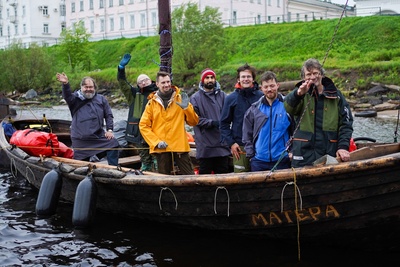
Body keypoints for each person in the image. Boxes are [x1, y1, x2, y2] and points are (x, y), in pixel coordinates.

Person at [284, 58, 353, 167]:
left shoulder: (336, 96)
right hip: (303, 155)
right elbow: (288, 108)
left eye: (315, 73)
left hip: (328, 153)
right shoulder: (300, 94)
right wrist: (298, 94)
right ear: (303, 77)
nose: (312, 77)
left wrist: (342, 147)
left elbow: (346, 124)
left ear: (321, 74)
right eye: (308, 74)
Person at [139, 71, 199, 175]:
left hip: (180, 146)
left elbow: (193, 121)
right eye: (163, 83)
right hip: (161, 148)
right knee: (163, 178)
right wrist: (156, 142)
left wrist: (187, 108)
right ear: (157, 84)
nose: (166, 85)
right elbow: (143, 126)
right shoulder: (151, 103)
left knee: (190, 176)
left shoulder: (180, 99)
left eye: (168, 82)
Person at [56, 73, 119, 166]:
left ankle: (113, 169)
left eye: (91, 87)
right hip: (81, 139)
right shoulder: (74, 99)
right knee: (81, 166)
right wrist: (65, 84)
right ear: (81, 87)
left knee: (113, 143)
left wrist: (109, 130)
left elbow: (109, 115)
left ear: (94, 88)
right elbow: (67, 96)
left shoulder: (101, 99)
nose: (88, 89)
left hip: (98, 136)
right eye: (86, 87)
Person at [242, 71, 292, 172]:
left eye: (272, 86)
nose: (269, 89)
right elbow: (247, 134)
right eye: (266, 87)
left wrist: (292, 151)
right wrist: (251, 155)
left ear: (278, 85)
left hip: (282, 159)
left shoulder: (288, 106)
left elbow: (296, 129)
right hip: (259, 161)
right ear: (261, 88)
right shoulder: (254, 109)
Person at [117, 53, 158, 171]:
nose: (143, 83)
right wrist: (121, 69)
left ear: (151, 80)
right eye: (140, 82)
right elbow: (123, 84)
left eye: (145, 80)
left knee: (157, 159)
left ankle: (158, 176)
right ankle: (145, 175)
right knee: (145, 160)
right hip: (139, 133)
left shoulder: (158, 93)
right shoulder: (135, 95)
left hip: (155, 132)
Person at [220, 63, 263, 173]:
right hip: (239, 146)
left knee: (259, 176)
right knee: (240, 176)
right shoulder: (231, 98)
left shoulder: (261, 97)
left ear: (253, 79)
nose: (246, 79)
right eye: (243, 77)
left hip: (260, 144)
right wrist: (231, 143)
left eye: (248, 76)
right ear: (238, 79)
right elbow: (224, 123)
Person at [190, 68, 231, 174]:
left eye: (212, 77)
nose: (210, 80)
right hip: (205, 145)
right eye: (207, 78)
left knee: (223, 174)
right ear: (202, 80)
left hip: (222, 143)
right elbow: (194, 119)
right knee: (205, 175)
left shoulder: (223, 96)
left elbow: (229, 115)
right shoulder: (195, 98)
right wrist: (211, 123)